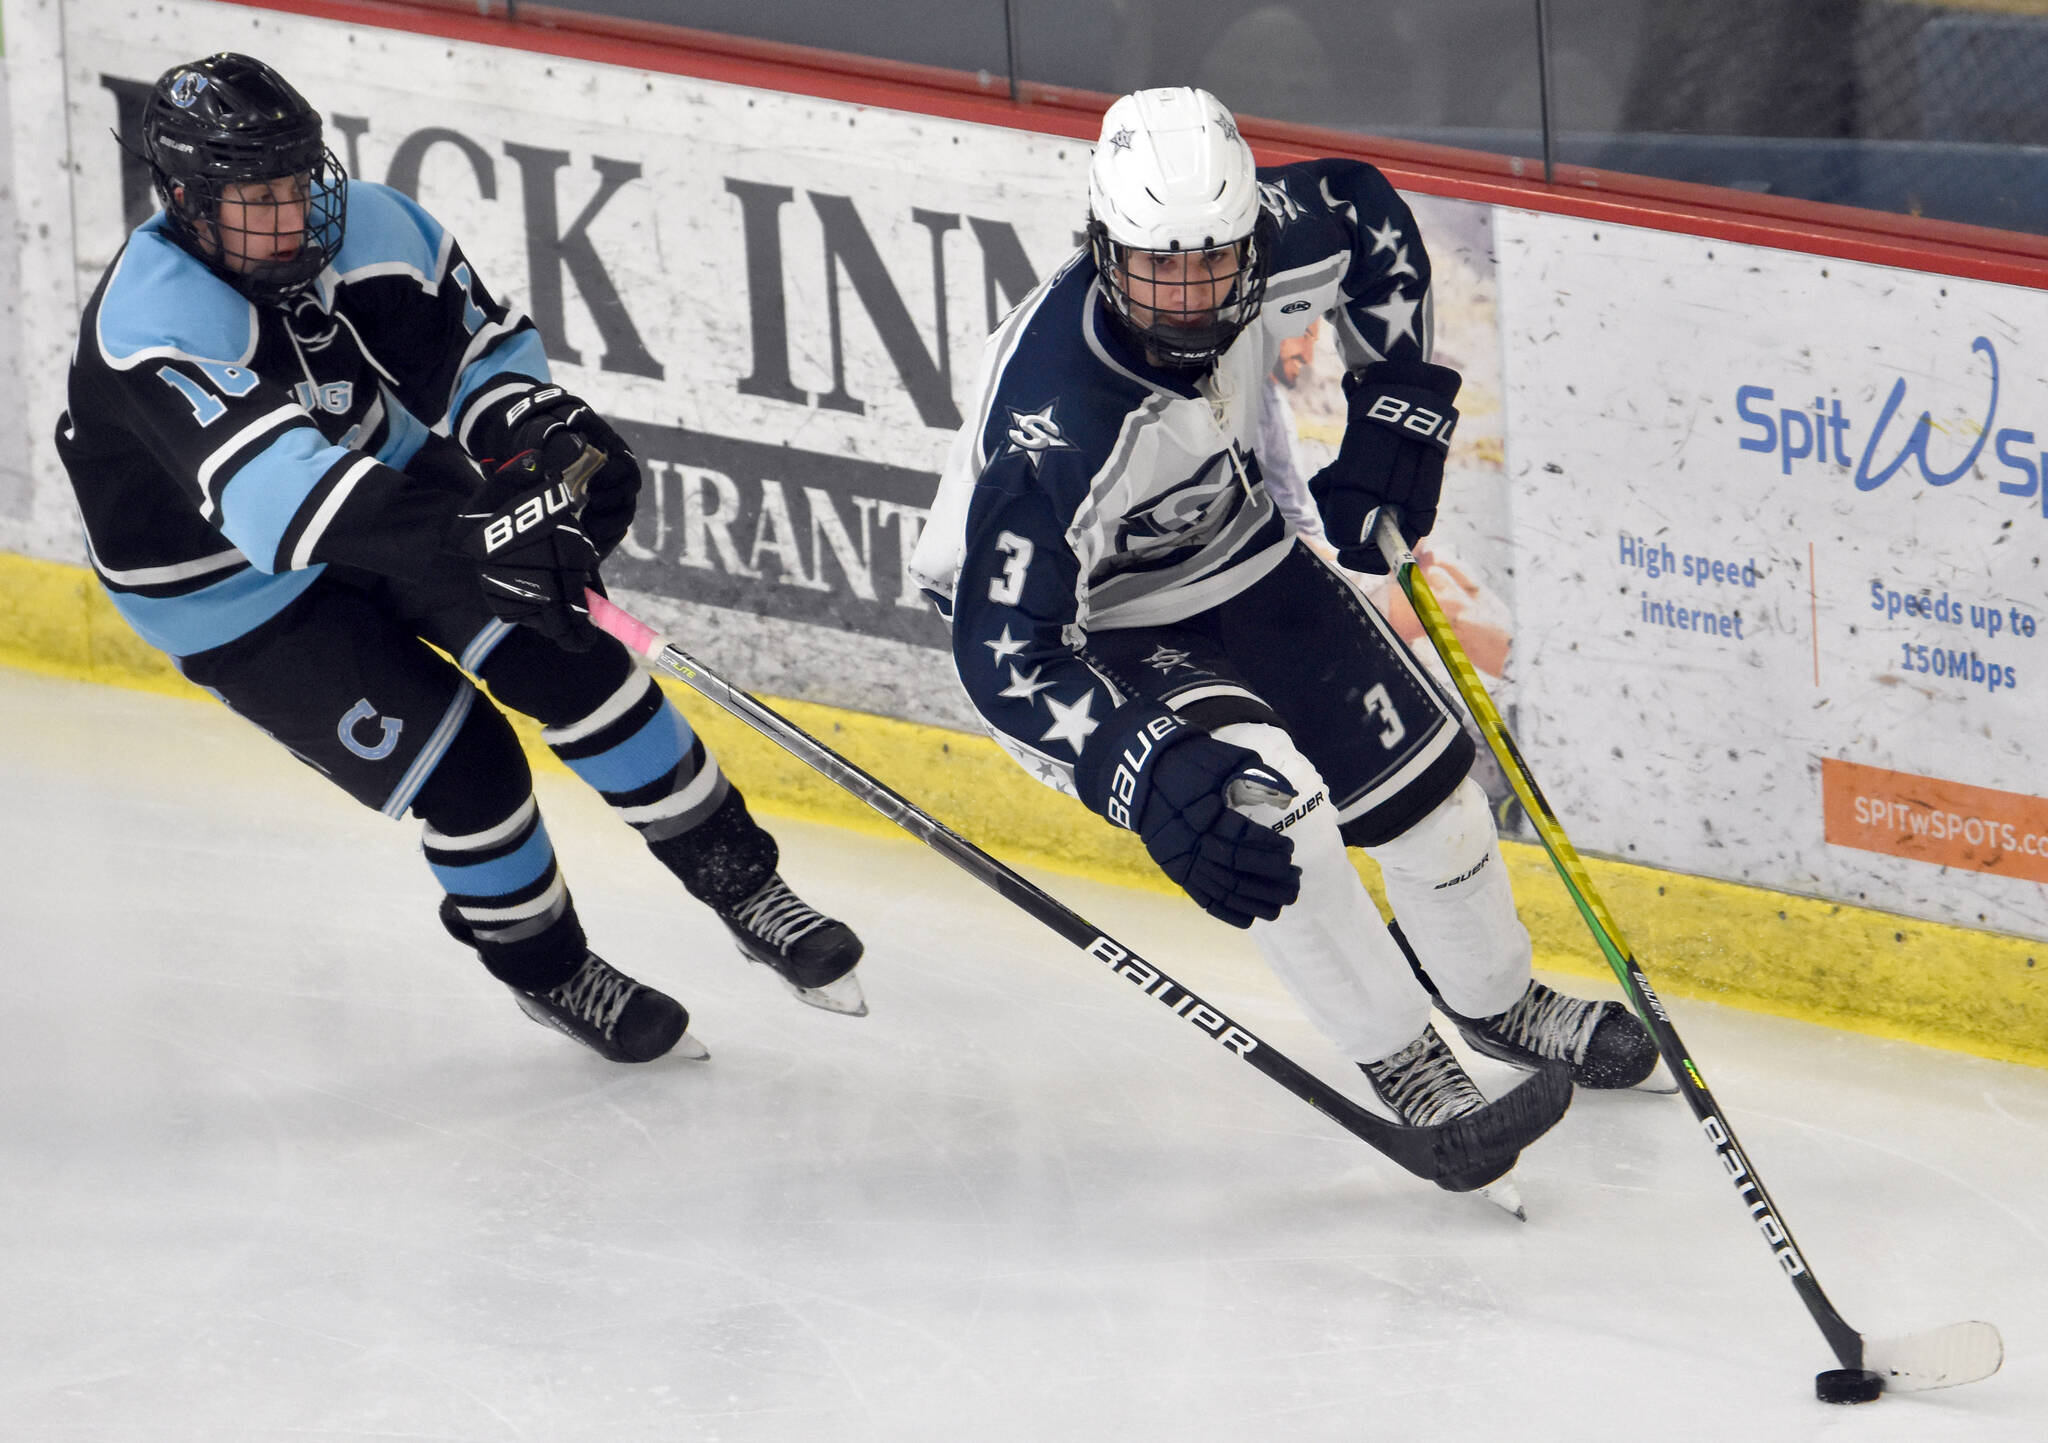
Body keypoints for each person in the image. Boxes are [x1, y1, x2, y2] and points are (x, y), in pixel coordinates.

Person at [911, 87, 1657, 1200]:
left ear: (1247, 240)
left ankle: (1495, 1001)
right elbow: (1004, 652)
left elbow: (1365, 212)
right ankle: (1404, 1059)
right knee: (1275, 810)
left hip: (1236, 547)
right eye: (1154, 268)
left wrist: (1397, 398)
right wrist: (1143, 763)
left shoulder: (1272, 235)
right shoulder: (1056, 421)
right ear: (1100, 248)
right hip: (1086, 624)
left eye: (1209, 265)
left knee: (1430, 793)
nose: (1184, 297)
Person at [55, 53, 865, 1063]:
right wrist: (478, 534)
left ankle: (746, 884)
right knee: (468, 768)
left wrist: (547, 453)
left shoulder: (369, 230)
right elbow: (279, 504)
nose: (293, 217)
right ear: (183, 200)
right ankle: (548, 969)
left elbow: (481, 364)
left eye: (298, 181)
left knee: (571, 655)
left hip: (388, 488)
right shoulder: (151, 320)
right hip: (230, 591)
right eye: (255, 199)